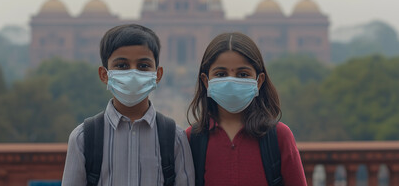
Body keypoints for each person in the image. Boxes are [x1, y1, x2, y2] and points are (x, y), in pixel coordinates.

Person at [62, 24, 195, 186]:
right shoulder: (84, 138)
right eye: (122, 66)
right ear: (104, 75)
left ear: (158, 75)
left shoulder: (174, 138)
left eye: (143, 66)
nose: (133, 73)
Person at [186, 32, 306, 186]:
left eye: (242, 74)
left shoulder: (278, 137)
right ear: (206, 81)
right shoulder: (193, 139)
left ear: (259, 80)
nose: (231, 81)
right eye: (221, 74)